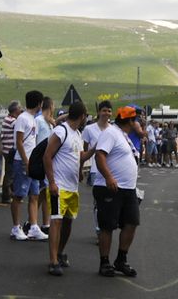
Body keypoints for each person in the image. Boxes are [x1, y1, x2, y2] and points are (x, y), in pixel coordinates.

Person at [43, 101, 95, 276]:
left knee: (68, 222)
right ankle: (53, 261)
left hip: (72, 187)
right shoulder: (61, 131)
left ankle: (60, 251)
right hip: (59, 185)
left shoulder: (77, 134)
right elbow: (47, 156)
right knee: (56, 221)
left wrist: (95, 149)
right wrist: (52, 182)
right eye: (85, 115)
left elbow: (80, 155)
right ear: (81, 116)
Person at [93, 106, 141, 277]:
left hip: (128, 189)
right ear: (130, 121)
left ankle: (121, 260)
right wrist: (108, 177)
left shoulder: (123, 136)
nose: (137, 123)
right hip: (111, 187)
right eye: (135, 120)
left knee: (132, 222)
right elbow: (100, 155)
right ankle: (104, 262)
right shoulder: (111, 133)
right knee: (107, 225)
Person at [9, 90, 48, 241]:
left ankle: (33, 227)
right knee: (19, 195)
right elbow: (19, 142)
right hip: (22, 161)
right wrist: (26, 161)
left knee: (35, 195)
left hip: (32, 163)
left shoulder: (33, 119)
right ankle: (15, 227)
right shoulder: (23, 118)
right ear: (39, 103)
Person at [82, 101, 112, 237]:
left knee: (109, 201)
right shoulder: (89, 129)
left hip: (111, 170)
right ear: (99, 112)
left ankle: (106, 227)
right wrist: (80, 169)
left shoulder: (114, 130)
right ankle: (99, 228)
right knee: (98, 202)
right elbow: (84, 151)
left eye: (109, 111)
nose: (107, 113)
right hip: (95, 170)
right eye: (104, 110)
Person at [34, 96, 56, 235]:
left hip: (48, 162)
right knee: (38, 194)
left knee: (45, 193)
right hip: (39, 161)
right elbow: (35, 140)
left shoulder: (49, 123)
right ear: (50, 106)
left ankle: (45, 223)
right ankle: (32, 222)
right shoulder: (38, 121)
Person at [0, 100, 22, 203]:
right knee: (10, 173)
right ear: (15, 110)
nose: (21, 110)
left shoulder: (7, 119)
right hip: (10, 150)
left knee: (10, 172)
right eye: (19, 108)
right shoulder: (12, 121)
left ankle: (10, 194)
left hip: (7, 149)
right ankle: (6, 195)